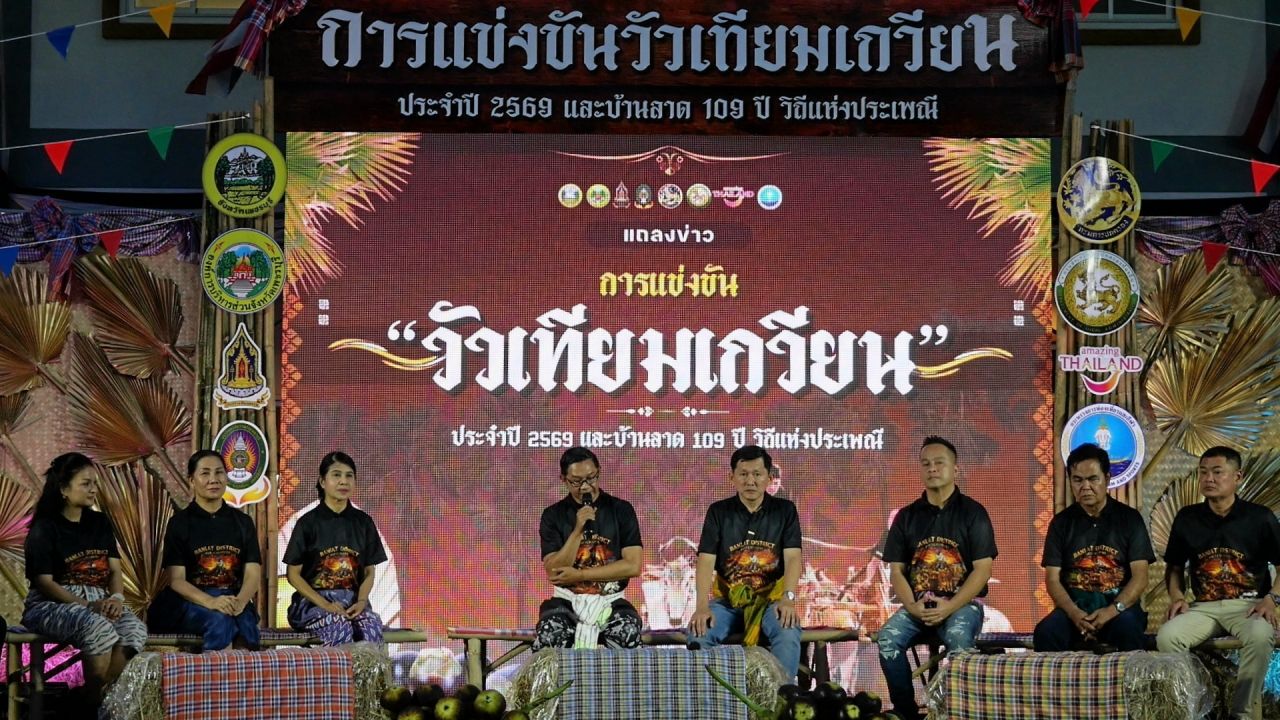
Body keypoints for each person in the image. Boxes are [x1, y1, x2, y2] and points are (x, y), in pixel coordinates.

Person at [876, 436, 997, 720]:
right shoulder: (906, 517)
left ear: (955, 469)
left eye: (939, 462)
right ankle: (905, 711)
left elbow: (983, 570)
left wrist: (950, 606)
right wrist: (912, 606)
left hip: (962, 606)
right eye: (926, 463)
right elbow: (896, 571)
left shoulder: (974, 513)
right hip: (918, 606)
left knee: (958, 639)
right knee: (887, 639)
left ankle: (958, 711)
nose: (932, 468)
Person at [1157, 446, 1280, 720]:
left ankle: (1241, 713)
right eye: (1203, 472)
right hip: (1203, 608)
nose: (1208, 479)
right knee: (1168, 637)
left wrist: (1271, 599)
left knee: (1261, 636)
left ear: (1237, 477)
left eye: (1217, 472)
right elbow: (1174, 568)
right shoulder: (1187, 517)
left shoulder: (1260, 517)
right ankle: (1194, 709)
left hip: (1248, 606)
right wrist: (1177, 597)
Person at [21, 452, 146, 707]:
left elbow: (114, 571)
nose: (93, 489)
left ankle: (93, 700)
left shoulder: (100, 522)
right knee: (97, 628)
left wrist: (117, 598)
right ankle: (91, 706)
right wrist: (88, 606)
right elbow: (45, 583)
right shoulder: (44, 528)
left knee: (134, 630)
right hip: (51, 605)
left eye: (95, 483)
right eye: (86, 483)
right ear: (63, 489)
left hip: (100, 601)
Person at [689, 445, 803, 680]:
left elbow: (793, 558)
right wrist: (701, 607)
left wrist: (788, 599)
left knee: (787, 630)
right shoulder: (718, 512)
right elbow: (706, 560)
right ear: (731, 477)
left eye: (757, 474)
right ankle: (709, 697)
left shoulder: (785, 510)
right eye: (743, 474)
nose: (750, 481)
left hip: (770, 600)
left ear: (768, 478)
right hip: (727, 602)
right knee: (699, 633)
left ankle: (782, 696)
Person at [1033, 443, 1152, 652]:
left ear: (1107, 479)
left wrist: (1111, 611)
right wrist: (1074, 614)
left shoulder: (1130, 519)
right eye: (1077, 480)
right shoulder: (1061, 523)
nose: (1085, 486)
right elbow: (1052, 579)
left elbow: (1140, 577)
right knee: (1046, 632)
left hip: (1118, 610)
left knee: (1128, 628)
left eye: (1093, 479)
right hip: (1075, 612)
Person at [534, 447, 643, 650]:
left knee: (627, 631)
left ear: (599, 472)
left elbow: (633, 566)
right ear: (563, 479)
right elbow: (554, 571)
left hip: (611, 601)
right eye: (576, 482)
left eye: (591, 478)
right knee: (550, 634)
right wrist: (577, 530)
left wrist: (580, 575)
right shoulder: (553, 515)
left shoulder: (621, 510)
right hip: (567, 602)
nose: (585, 487)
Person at [159, 450, 262, 650]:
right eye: (205, 473)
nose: (213, 479)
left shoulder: (243, 522)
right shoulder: (179, 523)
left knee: (247, 627)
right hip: (192, 601)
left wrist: (240, 602)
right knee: (220, 621)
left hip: (233, 598)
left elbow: (253, 573)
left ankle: (241, 671)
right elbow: (176, 580)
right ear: (192, 480)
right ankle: (212, 669)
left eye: (219, 472)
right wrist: (211, 602)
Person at [283, 451, 387, 645]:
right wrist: (326, 605)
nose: (343, 481)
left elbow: (369, 572)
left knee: (371, 626)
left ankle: (371, 667)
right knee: (339, 625)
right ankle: (339, 666)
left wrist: (361, 602)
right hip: (312, 605)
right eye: (336, 475)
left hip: (353, 603)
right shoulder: (307, 523)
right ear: (322, 482)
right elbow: (293, 575)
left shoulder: (364, 522)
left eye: (349, 476)